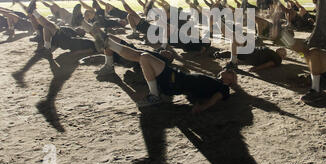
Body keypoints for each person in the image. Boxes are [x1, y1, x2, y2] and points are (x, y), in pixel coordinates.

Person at [90, 25, 237, 111]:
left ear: (229, 81)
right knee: (142, 56)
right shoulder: (216, 81)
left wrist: (201, 107)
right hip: (173, 75)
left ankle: (154, 96)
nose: (228, 70)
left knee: (144, 57)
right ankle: (108, 43)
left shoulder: (223, 88)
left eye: (230, 73)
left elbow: (214, 100)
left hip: (173, 82)